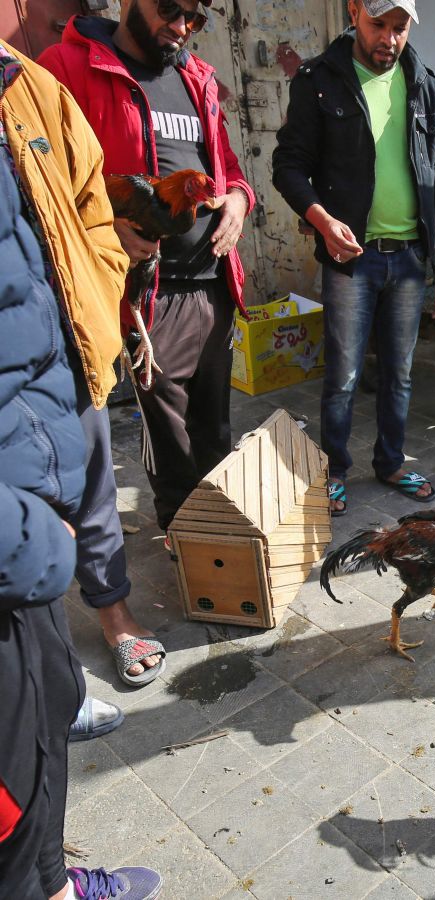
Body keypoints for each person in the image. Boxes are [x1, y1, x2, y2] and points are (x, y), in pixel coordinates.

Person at [0, 43, 162, 900]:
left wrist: (101, 312)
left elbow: (84, 228)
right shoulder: (61, 68)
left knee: (40, 701)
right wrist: (28, 532)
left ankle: (55, 881)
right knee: (12, 773)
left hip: (51, 420)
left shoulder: (24, 86)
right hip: (15, 512)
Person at [39, 1, 256, 541]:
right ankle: (187, 542)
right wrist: (104, 228)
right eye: (171, 9)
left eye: (195, 18)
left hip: (213, 280)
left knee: (214, 428)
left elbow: (227, 168)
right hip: (146, 294)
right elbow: (42, 183)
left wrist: (236, 201)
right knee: (169, 435)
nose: (181, 26)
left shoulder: (196, 75)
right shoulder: (67, 68)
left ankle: (220, 539)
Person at [274, 0, 435, 515]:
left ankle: (392, 462)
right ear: (354, 11)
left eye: (399, 28)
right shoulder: (318, 81)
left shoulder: (428, 88)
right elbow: (289, 166)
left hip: (409, 261)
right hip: (350, 260)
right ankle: (334, 469)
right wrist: (323, 222)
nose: (389, 39)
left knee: (399, 373)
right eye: (379, 24)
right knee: (344, 375)